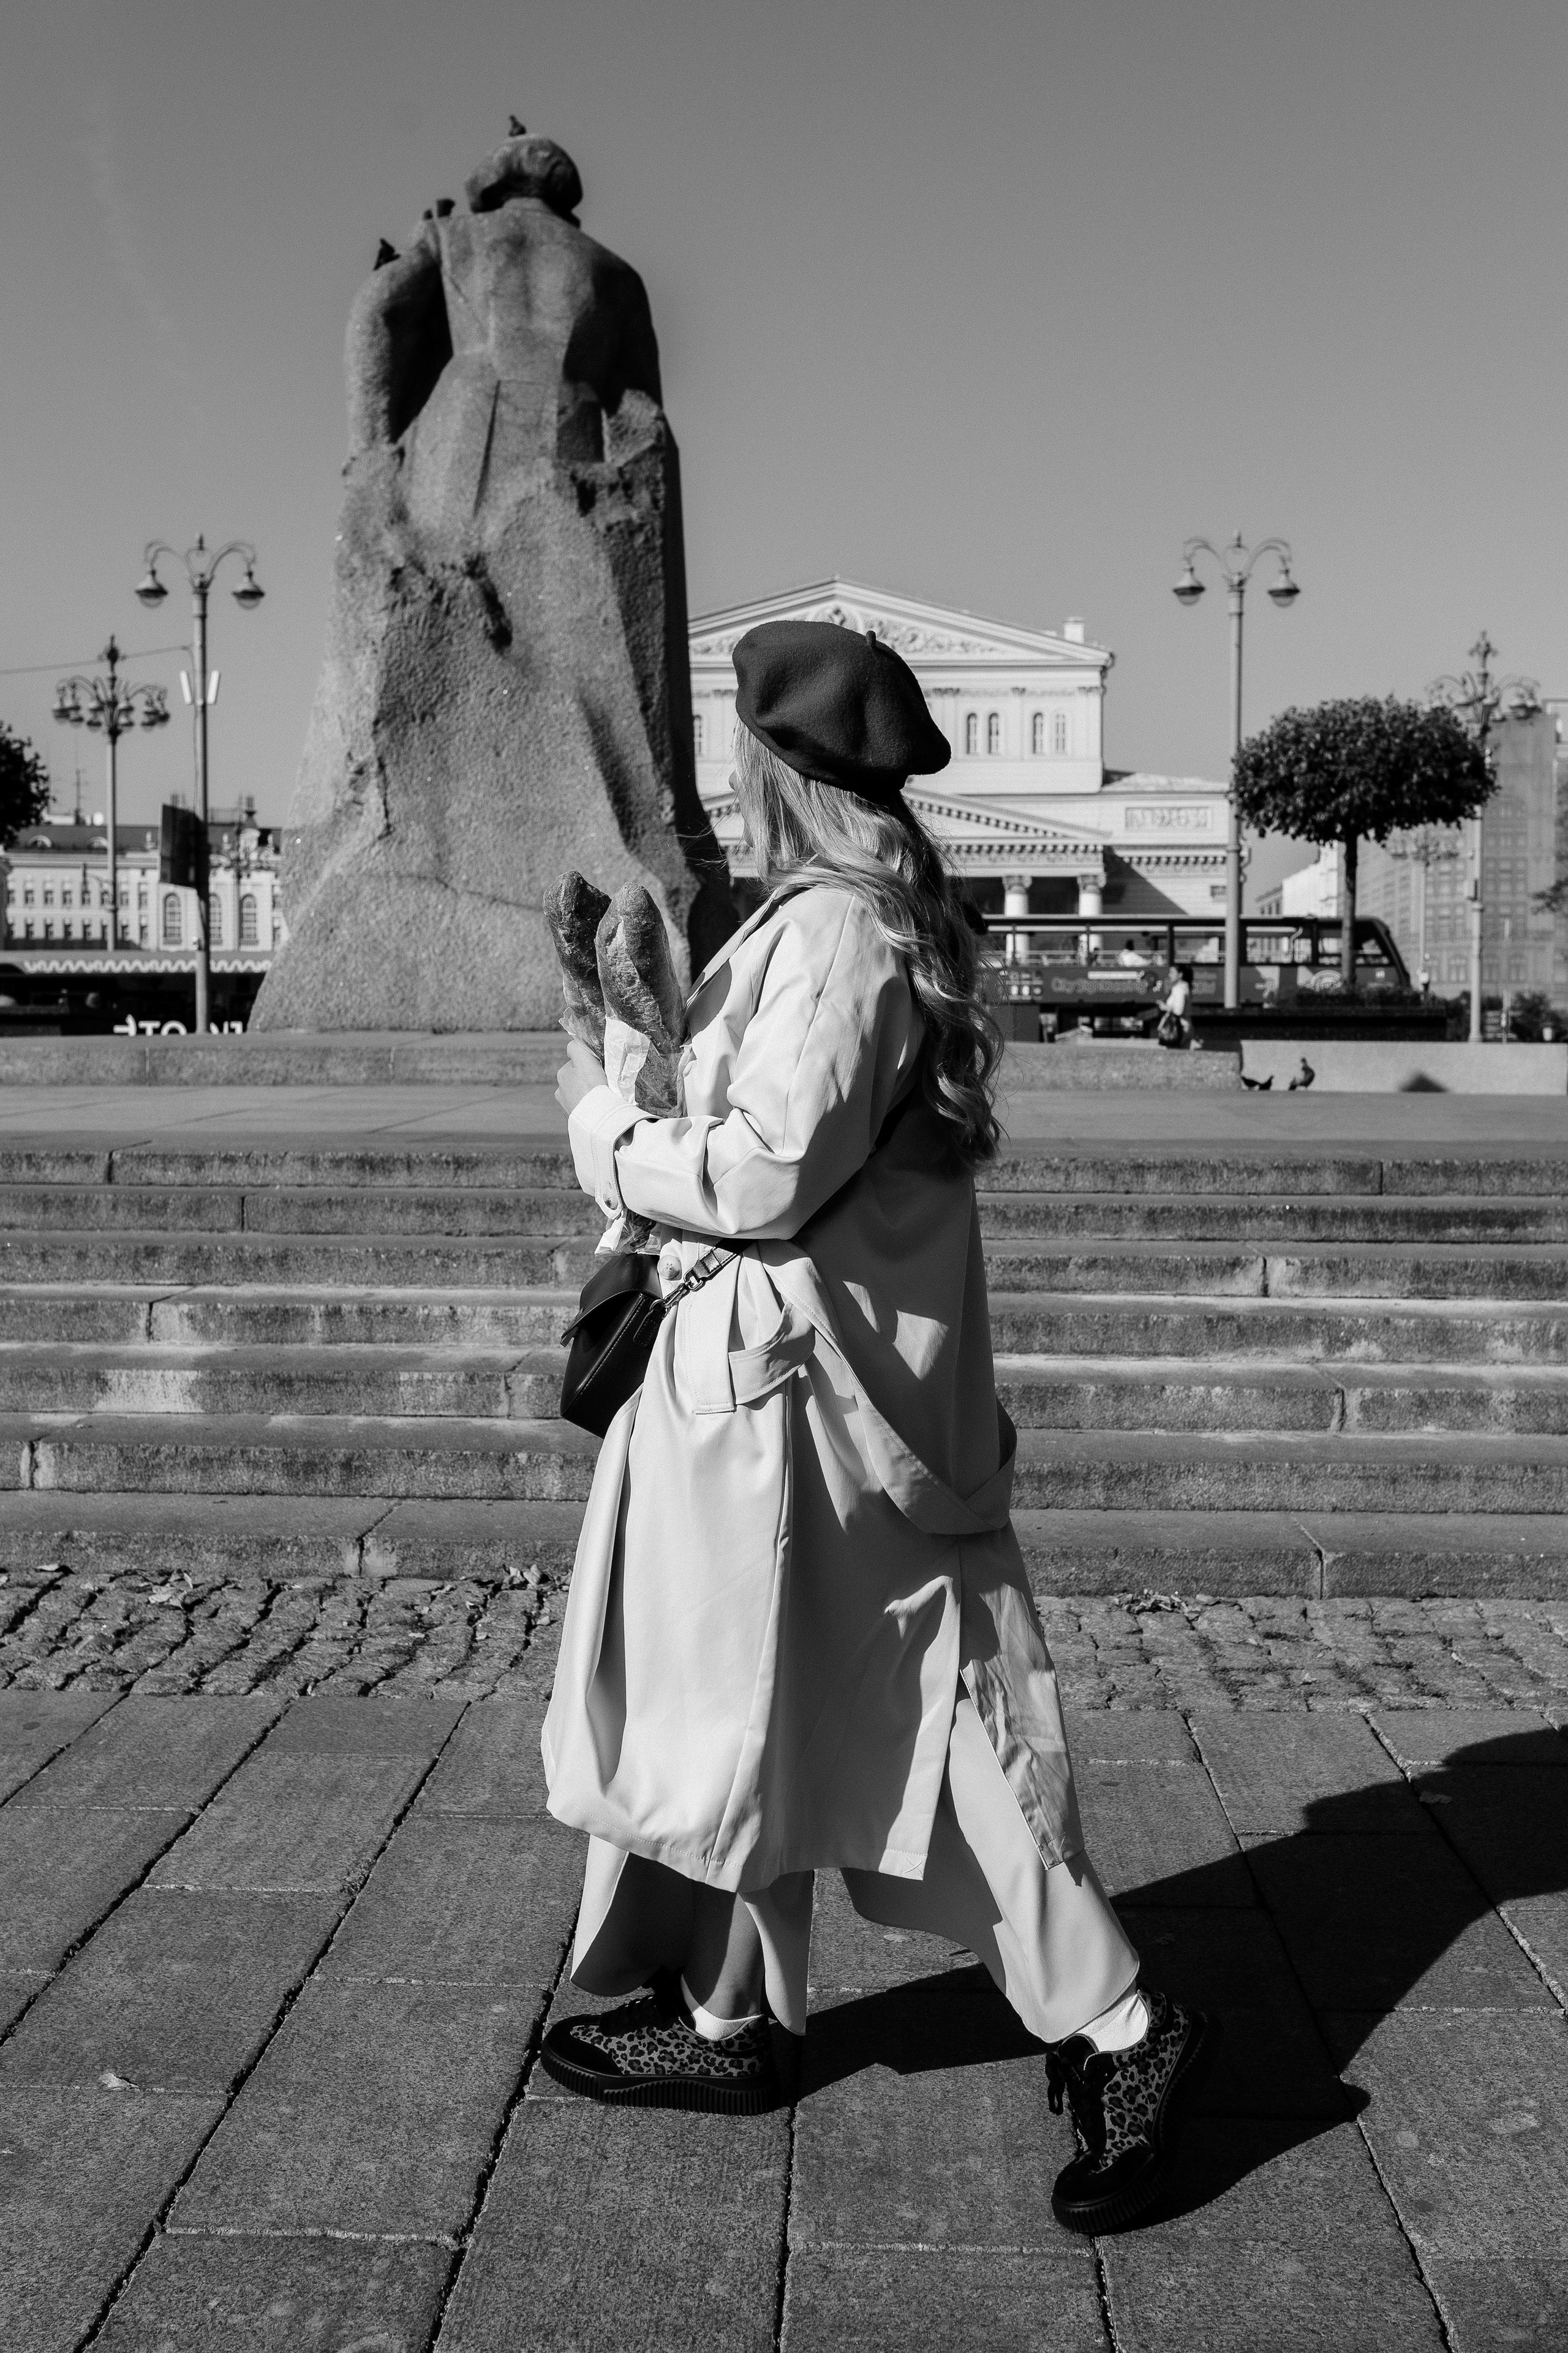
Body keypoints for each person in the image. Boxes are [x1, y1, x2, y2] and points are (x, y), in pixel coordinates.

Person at [545, 619, 1213, 2233]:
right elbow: (735, 1114)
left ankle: (1125, 2022)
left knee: (940, 1737)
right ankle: (727, 2017)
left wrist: (599, 1132)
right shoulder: (818, 928)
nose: (722, 775)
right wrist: (626, 1012)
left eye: (738, 752)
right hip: (787, 1407)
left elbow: (766, 1167)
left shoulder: (838, 935)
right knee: (746, 1707)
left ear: (778, 770)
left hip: (817, 1423)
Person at [1155, 963, 1193, 1048]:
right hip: (1185, 1026)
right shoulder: (1185, 987)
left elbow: (1178, 1011)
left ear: (1180, 975)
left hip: (1179, 1028)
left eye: (1172, 972)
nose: (1169, 975)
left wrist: (1164, 1007)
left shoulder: (1179, 989)